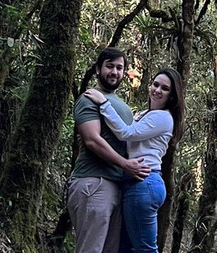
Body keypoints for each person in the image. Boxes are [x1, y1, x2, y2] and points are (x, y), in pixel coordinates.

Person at [83, 66, 185, 253]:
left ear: (172, 96)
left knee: (144, 249)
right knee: (127, 248)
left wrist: (103, 103)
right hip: (134, 183)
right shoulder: (144, 115)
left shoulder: (163, 118)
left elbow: (126, 132)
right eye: (155, 84)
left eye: (165, 88)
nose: (157, 90)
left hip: (144, 182)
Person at [68, 48, 151, 253]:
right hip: (94, 183)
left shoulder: (121, 106)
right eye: (110, 66)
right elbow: (92, 140)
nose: (114, 72)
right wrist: (125, 164)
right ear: (98, 69)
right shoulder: (89, 97)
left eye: (119, 68)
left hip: (117, 186)